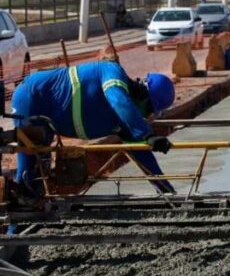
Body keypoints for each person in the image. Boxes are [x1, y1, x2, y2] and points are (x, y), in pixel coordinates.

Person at [11, 61, 177, 197]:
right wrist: (147, 134)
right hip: (33, 97)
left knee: (41, 174)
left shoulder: (125, 120)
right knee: (28, 173)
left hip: (47, 113)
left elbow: (143, 156)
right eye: (149, 111)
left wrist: (166, 190)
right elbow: (118, 100)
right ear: (143, 95)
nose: (146, 117)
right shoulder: (113, 72)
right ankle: (14, 232)